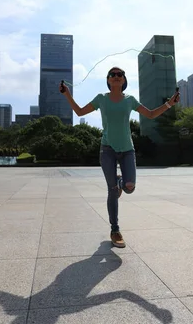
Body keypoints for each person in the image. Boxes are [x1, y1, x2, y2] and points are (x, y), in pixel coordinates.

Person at [59, 66, 180, 248]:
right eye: (112, 74)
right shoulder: (101, 99)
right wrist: (67, 94)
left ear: (124, 80)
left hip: (127, 150)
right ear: (108, 80)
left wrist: (170, 103)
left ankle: (121, 182)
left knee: (130, 187)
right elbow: (80, 112)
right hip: (107, 149)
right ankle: (115, 230)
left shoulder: (130, 100)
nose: (116, 76)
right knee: (112, 191)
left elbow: (151, 114)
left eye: (120, 74)